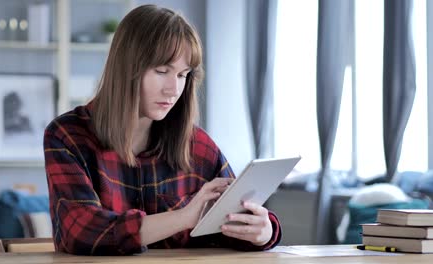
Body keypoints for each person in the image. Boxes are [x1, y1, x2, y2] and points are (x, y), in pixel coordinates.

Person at [44, 4, 281, 256]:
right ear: (126, 69)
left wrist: (264, 232)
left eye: (182, 75)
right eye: (161, 71)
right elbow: (82, 232)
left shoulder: (197, 146)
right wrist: (184, 218)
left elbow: (234, 219)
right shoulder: (67, 136)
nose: (173, 89)